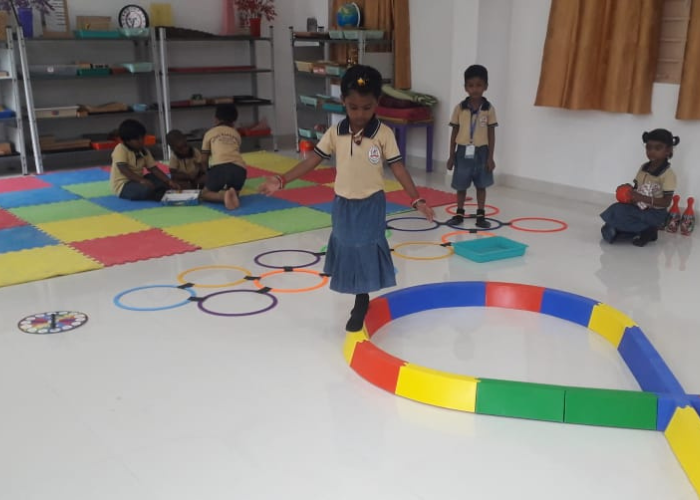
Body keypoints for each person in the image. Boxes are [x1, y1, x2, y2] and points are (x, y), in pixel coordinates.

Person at [259, 65, 435, 332]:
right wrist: (281, 179)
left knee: (365, 247)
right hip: (342, 203)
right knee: (346, 244)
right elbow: (312, 161)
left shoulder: (383, 134)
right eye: (353, 107)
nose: (360, 114)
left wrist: (416, 199)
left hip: (371, 203)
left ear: (377, 103)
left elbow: (398, 168)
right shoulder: (335, 132)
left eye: (367, 107)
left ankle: (361, 299)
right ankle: (357, 292)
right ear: (343, 102)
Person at [600, 129, 679, 247]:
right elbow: (637, 188)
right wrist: (628, 190)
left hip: (655, 213)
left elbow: (666, 202)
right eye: (649, 148)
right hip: (640, 207)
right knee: (617, 209)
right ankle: (643, 231)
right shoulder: (643, 167)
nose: (652, 152)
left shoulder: (668, 174)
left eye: (657, 148)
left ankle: (648, 230)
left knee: (617, 220)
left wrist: (641, 198)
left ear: (668, 150)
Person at [446, 64, 498, 228]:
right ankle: (459, 213)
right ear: (465, 87)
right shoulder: (459, 108)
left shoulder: (489, 109)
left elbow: (491, 134)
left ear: (485, 86)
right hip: (462, 152)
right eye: (471, 85)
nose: (475, 89)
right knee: (461, 185)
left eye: (479, 85)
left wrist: (490, 157)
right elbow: (454, 132)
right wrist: (451, 155)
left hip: (482, 152)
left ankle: (481, 215)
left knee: (481, 185)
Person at [109, 119, 179, 201]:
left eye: (142, 138)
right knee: (145, 190)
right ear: (127, 140)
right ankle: (156, 194)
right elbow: (124, 169)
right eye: (137, 139)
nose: (141, 141)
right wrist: (141, 180)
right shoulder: (120, 149)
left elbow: (154, 169)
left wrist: (169, 181)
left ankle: (158, 191)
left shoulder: (144, 151)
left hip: (139, 180)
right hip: (124, 185)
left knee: (159, 179)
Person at [200, 103, 248, 210]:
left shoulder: (209, 133)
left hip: (220, 168)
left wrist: (208, 175)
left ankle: (222, 197)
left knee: (204, 194)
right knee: (234, 192)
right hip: (240, 170)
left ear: (215, 119)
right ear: (234, 121)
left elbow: (204, 160)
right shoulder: (236, 134)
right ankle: (233, 194)